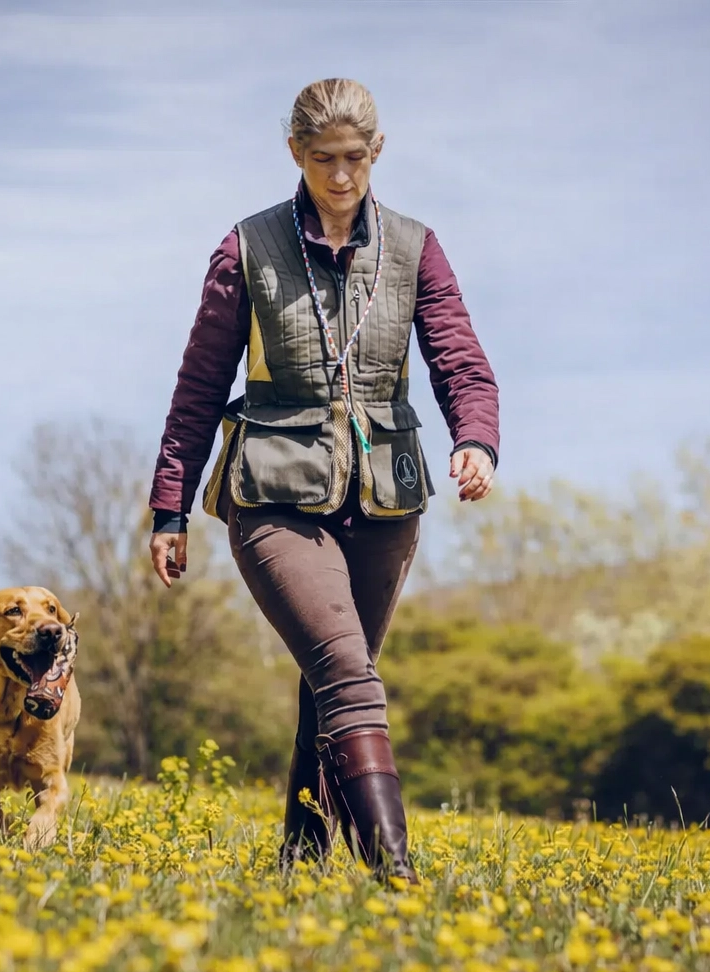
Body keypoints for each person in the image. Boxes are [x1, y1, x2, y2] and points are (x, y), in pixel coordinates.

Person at [147, 78, 500, 884]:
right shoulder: (247, 246)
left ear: (377, 152)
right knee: (346, 669)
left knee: (331, 681)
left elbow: (459, 359)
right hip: (271, 493)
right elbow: (199, 383)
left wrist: (476, 440)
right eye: (321, 160)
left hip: (384, 498)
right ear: (294, 154)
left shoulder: (415, 248)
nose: (340, 177)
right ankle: (395, 872)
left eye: (353, 159)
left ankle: (300, 861)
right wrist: (170, 507)